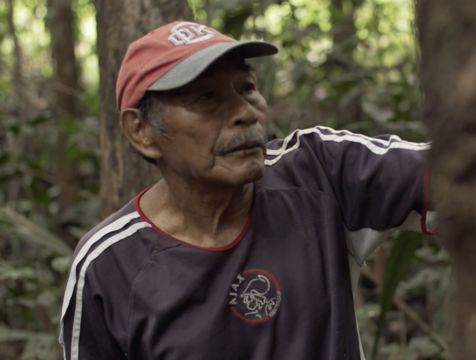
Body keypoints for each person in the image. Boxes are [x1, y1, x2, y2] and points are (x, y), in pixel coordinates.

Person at [59, 21, 431, 360]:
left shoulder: (319, 174)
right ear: (141, 131)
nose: (246, 113)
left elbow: (465, 176)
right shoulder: (109, 267)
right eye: (206, 98)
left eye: (247, 88)